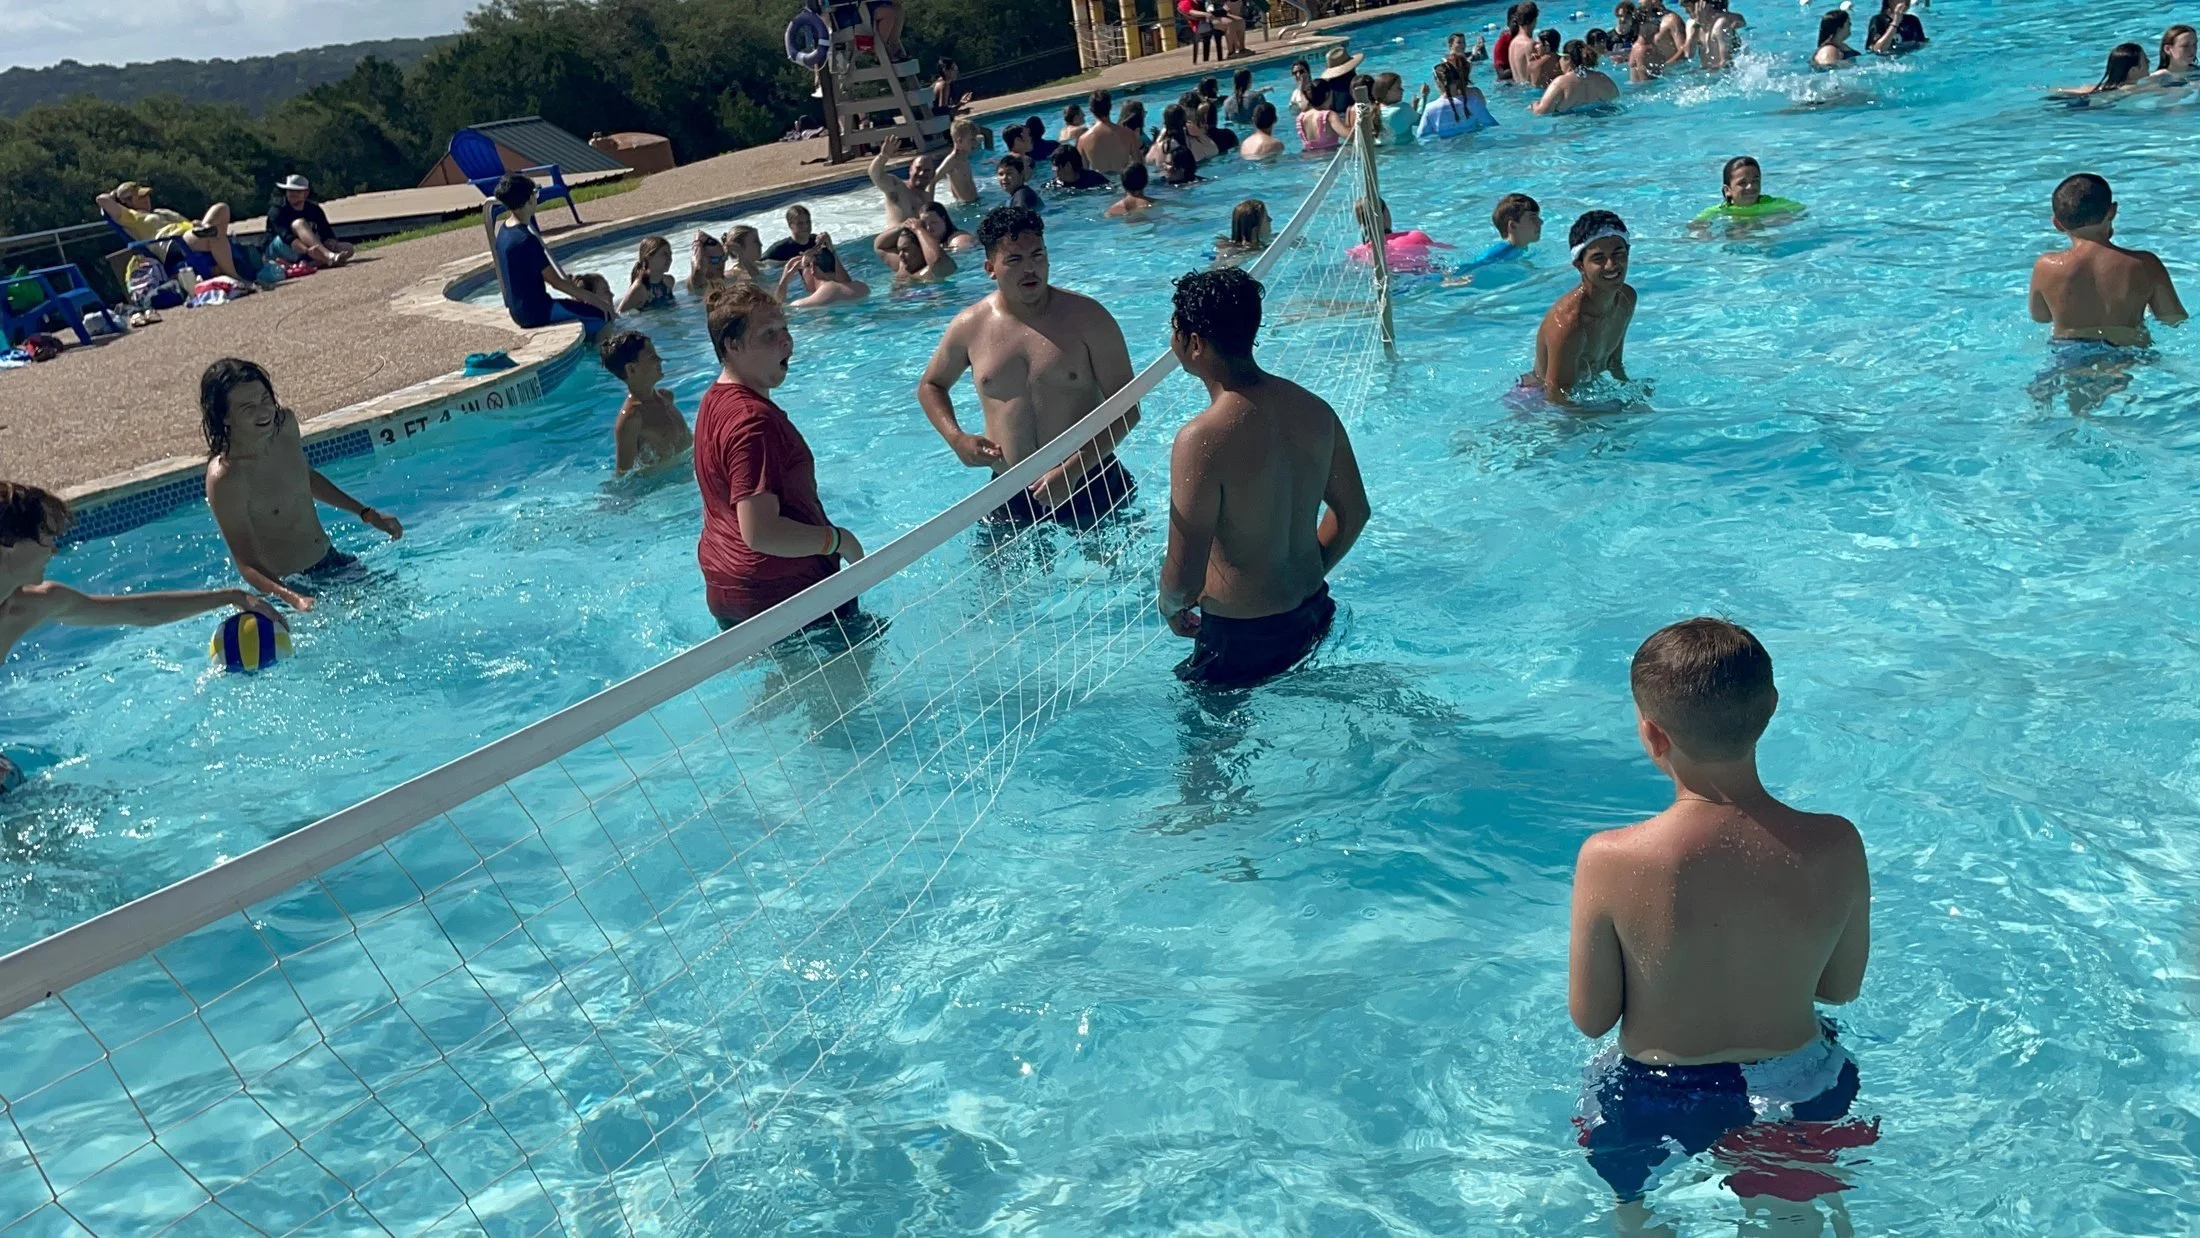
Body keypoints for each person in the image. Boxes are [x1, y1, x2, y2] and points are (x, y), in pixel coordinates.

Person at [1570, 618, 1874, 1233]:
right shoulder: (1836, 844)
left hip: (1653, 1095)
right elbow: (1839, 989)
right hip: (1800, 1085)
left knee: (1636, 1212)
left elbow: (1593, 1017)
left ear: (1653, 734)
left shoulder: (1611, 858)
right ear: (1771, 709)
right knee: (1797, 1219)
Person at [1158, 268, 1368, 689]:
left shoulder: (1202, 438)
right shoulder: (1314, 410)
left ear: (1194, 343)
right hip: (1314, 616)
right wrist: (1302, 572)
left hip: (1242, 639)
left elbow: (1184, 578)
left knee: (1205, 750)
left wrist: (1170, 607)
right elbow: (1355, 512)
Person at [917, 205, 1142, 529]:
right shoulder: (970, 326)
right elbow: (931, 386)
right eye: (1015, 260)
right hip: (1010, 489)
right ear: (990, 268)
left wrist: (1073, 470)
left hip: (1092, 479)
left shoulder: (1089, 319)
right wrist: (957, 439)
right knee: (994, 579)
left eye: (1038, 256)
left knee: (1114, 578)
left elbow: (1128, 408)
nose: (1030, 269)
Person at [692, 282, 866, 631]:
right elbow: (761, 532)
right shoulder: (753, 421)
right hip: (789, 594)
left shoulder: (713, 400)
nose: (786, 341)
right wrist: (837, 539)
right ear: (733, 345)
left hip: (729, 585)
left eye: (785, 328)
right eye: (769, 334)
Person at [0, 481, 282, 669]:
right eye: (46, 539)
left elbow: (140, 611)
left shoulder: (33, 605)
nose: (54, 551)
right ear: (9, 543)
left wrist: (230, 596)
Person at [200, 359, 402, 613]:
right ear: (225, 416)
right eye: (248, 408)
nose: (264, 412)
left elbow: (303, 477)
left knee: (397, 613)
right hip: (290, 586)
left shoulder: (284, 426)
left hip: (332, 561)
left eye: (265, 399)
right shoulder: (227, 477)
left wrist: (366, 513)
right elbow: (246, 564)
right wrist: (293, 598)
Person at [2027, 173, 2187, 348]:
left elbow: (2041, 316)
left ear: (2057, 224)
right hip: (2128, 351)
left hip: (2070, 353)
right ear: (2112, 211)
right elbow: (2173, 319)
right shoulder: (2145, 264)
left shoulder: (2046, 267)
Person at [1525, 211, 1637, 404]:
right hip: (1535, 401)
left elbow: (1614, 363)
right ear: (1580, 265)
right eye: (1598, 258)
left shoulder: (1626, 299)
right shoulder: (1569, 324)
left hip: (1578, 396)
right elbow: (1555, 397)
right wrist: (1614, 414)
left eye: (1618, 254)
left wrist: (1631, 393)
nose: (1611, 265)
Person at [484, 174, 615, 332]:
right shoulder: (526, 240)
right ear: (529, 200)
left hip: (518, 312)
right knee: (602, 316)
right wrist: (594, 300)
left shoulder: (504, 231)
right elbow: (556, 282)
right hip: (538, 312)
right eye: (535, 192)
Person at [97, 180, 246, 283]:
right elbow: (101, 200)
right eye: (141, 197)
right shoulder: (130, 217)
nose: (147, 199)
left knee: (221, 208)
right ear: (127, 202)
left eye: (147, 195)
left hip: (191, 233)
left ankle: (205, 229)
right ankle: (235, 277)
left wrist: (196, 224)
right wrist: (115, 195)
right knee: (214, 235)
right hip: (172, 243)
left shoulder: (160, 212)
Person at [598, 330, 692, 475]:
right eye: (652, 356)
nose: (660, 360)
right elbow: (624, 476)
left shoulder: (666, 397)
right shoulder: (632, 418)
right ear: (631, 369)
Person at [1448, 192, 1542, 283]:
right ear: (1513, 226)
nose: (1541, 222)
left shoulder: (1519, 248)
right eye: (1532, 218)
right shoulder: (1501, 251)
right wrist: (1452, 280)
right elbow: (1473, 267)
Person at [265, 176, 353, 268]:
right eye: (290, 191)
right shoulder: (277, 210)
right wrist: (308, 251)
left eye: (297, 191)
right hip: (282, 247)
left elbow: (327, 232)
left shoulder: (314, 210)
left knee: (347, 248)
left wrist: (331, 242)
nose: (293, 194)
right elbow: (287, 237)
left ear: (306, 193)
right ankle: (327, 257)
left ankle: (309, 264)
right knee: (299, 223)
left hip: (311, 249)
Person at [1694, 155, 1805, 224]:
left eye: (1755, 181)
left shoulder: (1773, 203)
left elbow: (1802, 211)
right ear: (1727, 190)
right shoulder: (1719, 211)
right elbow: (1696, 225)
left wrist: (1780, 219)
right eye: (1742, 183)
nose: (1751, 187)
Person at [1534, 40, 1622, 112]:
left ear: (1567, 58)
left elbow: (1541, 111)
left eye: (1560, 57)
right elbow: (1616, 101)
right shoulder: (1604, 79)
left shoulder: (1560, 82)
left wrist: (1533, 106)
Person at [869, 137, 937, 229]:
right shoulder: (896, 187)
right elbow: (875, 175)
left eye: (927, 171)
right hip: (896, 239)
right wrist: (883, 156)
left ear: (932, 175)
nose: (921, 173)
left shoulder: (927, 198)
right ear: (910, 170)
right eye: (918, 168)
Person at [1420, 59, 1497, 137]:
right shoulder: (1473, 102)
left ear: (1438, 82)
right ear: (1457, 80)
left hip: (1445, 148)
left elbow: (1422, 137)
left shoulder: (1430, 109)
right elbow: (1492, 125)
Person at [776, 244, 871, 307]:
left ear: (812, 268)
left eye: (803, 269)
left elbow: (777, 310)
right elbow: (846, 282)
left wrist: (785, 278)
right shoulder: (863, 288)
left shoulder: (801, 305)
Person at [1078, 90, 1143, 175]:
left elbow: (1083, 173)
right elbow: (1140, 166)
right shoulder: (1128, 134)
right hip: (1123, 183)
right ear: (1110, 107)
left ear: (1091, 110)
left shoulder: (1083, 140)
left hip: (1101, 184)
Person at [876, 217, 959, 282]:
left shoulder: (937, 269)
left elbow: (936, 260)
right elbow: (880, 246)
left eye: (905, 250)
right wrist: (902, 226)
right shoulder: (903, 267)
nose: (900, 255)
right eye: (899, 250)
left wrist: (918, 229)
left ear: (921, 249)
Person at [2051, 43, 2152, 97]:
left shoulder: (2100, 87)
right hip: (2087, 107)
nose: (2149, 62)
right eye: (2145, 61)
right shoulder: (2130, 88)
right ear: (2133, 71)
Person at [618, 235, 677, 313]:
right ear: (648, 258)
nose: (670, 259)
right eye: (665, 254)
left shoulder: (669, 282)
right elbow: (619, 314)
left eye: (670, 254)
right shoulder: (641, 289)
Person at [939, 120, 985, 205]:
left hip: (974, 202)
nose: (975, 142)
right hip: (966, 206)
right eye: (972, 139)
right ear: (959, 141)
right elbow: (933, 181)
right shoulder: (952, 160)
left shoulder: (964, 157)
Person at [1297, 79, 1351, 151]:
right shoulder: (1330, 116)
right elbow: (1350, 137)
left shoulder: (1301, 117)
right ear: (1327, 94)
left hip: (1308, 158)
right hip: (1329, 158)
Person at [1372, 72, 1424, 143]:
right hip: (1407, 151)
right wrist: (1423, 97)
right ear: (1387, 92)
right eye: (1398, 88)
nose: (1402, 90)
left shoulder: (1372, 111)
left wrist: (1413, 106)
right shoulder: (1403, 109)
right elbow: (1422, 121)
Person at [1507, 2, 1544, 81]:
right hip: (1531, 91)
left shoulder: (1513, 43)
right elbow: (1537, 78)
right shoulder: (1530, 44)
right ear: (1534, 20)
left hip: (1517, 88)